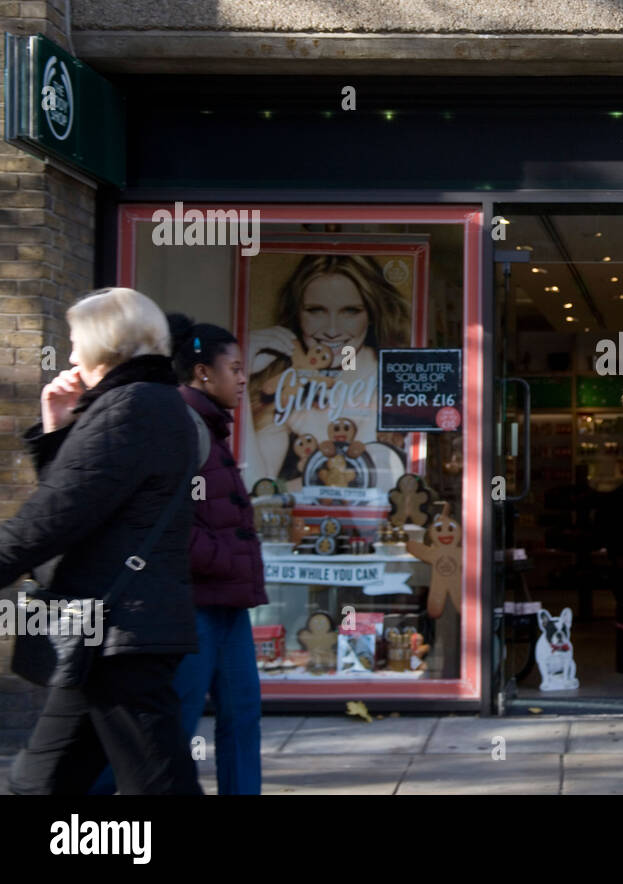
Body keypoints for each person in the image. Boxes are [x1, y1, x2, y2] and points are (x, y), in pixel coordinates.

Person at [0, 287, 202, 794]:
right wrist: (57, 427)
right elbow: (85, 501)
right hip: (108, 631)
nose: (70, 357)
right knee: (39, 781)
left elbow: (50, 520)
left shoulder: (128, 410)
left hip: (119, 633)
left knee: (157, 784)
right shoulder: (149, 404)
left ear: (105, 344)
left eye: (75, 343)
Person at [91, 316, 268, 795]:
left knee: (243, 717)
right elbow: (165, 521)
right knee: (170, 728)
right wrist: (228, 558)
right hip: (190, 610)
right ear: (203, 372)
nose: (242, 377)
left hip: (227, 607)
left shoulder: (211, 427)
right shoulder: (182, 427)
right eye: (234, 367)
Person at [243, 254, 410, 487]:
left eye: (350, 311)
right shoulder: (284, 383)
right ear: (297, 315)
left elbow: (363, 487)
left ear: (371, 315)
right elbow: (255, 488)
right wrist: (242, 373)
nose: (332, 330)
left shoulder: (395, 380)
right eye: (316, 311)